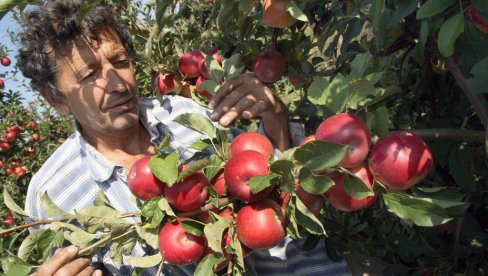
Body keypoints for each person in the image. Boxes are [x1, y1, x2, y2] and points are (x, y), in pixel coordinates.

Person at [16, 0, 351, 275]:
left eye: (120, 62)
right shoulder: (54, 195)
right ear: (56, 99)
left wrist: (275, 116)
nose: (118, 84)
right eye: (89, 75)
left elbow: (276, 187)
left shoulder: (179, 112)